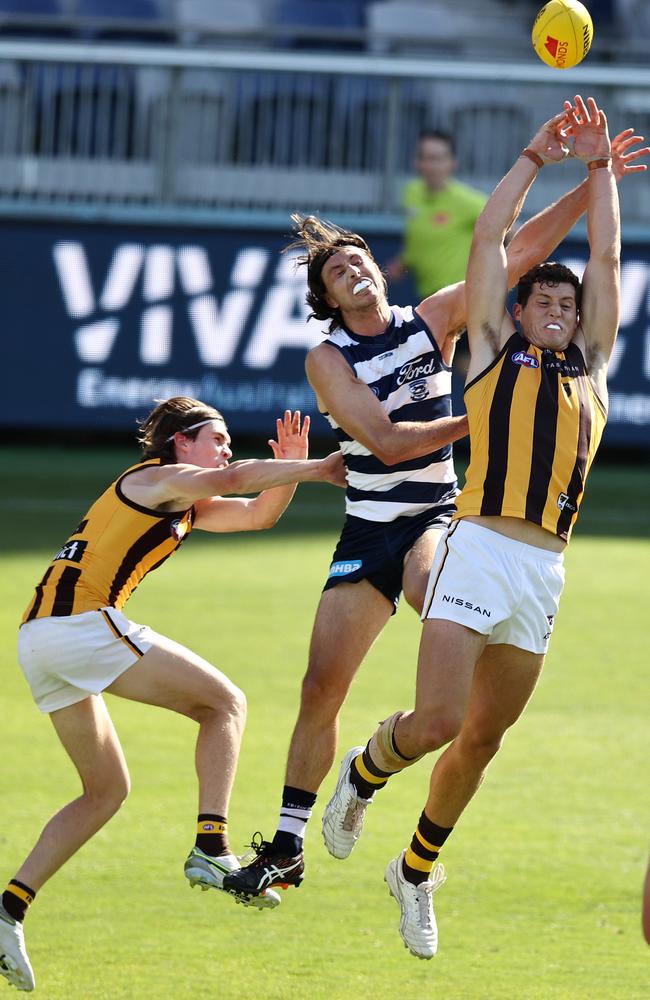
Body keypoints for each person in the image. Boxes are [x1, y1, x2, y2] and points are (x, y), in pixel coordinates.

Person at [222, 117, 648, 906]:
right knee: (322, 686)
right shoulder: (330, 357)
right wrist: (486, 411)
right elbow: (383, 442)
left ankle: (402, 783)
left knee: (454, 697)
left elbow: (514, 256)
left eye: (358, 258)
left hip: (438, 521)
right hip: (371, 519)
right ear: (326, 298)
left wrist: (591, 184)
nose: (352, 271)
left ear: (379, 273)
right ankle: (287, 844)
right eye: (337, 270)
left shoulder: (433, 319)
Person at [319, 95, 632, 960]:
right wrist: (537, 155)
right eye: (545, 296)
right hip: (481, 545)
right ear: (520, 313)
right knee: (439, 721)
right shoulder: (493, 352)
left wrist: (602, 168)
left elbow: (607, 252)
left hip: (544, 574)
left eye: (568, 298)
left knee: (484, 740)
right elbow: (489, 245)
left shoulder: (594, 366)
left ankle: (414, 872)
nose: (561, 302)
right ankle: (363, 772)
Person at [0, 397, 345, 993]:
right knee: (225, 704)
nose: (227, 448)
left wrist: (292, 465)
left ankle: (8, 911)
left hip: (41, 641)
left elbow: (257, 515)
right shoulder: (160, 478)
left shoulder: (185, 504)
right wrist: (317, 469)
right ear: (182, 442)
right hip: (79, 624)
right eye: (216, 437)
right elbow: (235, 478)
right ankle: (212, 845)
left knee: (106, 790)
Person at [386, 129, 487, 299]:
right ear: (416, 162)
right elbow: (419, 237)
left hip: (460, 296)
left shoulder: (469, 201)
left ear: (452, 162)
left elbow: (511, 230)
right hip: (427, 295)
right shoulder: (411, 192)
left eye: (437, 159)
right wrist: (402, 262)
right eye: (424, 158)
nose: (430, 165)